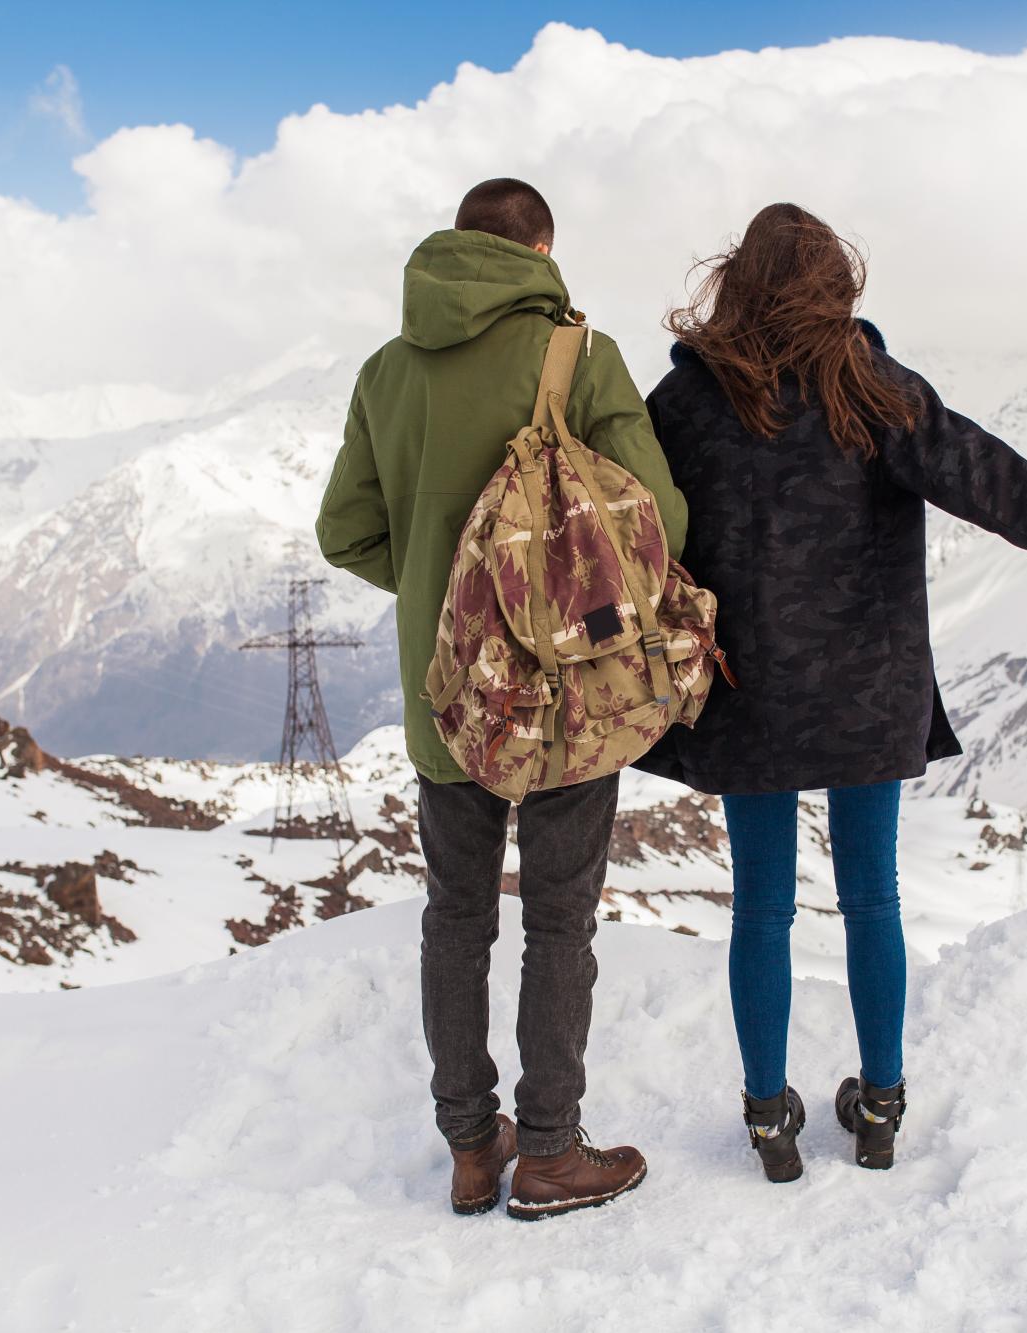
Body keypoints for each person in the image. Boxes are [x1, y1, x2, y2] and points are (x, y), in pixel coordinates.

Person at [634, 203, 1027, 1180]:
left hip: (746, 694)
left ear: (737, 282)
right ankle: (880, 1106)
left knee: (761, 906)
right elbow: (997, 484)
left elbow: (631, 522)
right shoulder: (868, 385)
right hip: (867, 689)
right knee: (871, 895)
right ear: (833, 289)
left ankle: (769, 1117)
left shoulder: (687, 403)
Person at [317, 179, 688, 1219]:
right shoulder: (578, 356)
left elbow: (343, 532)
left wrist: (454, 589)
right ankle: (555, 1152)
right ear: (541, 247)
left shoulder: (387, 373)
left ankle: (473, 1147)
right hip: (568, 695)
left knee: (455, 917)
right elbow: (658, 517)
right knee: (559, 921)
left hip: (450, 701)